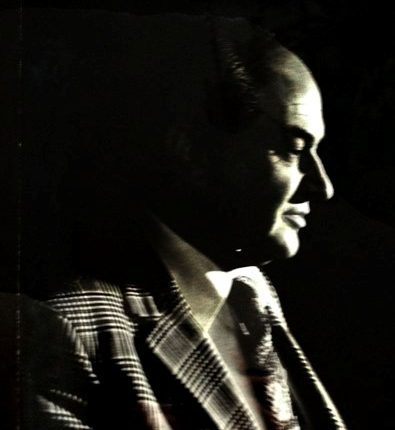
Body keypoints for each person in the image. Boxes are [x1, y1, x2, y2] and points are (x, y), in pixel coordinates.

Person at [22, 9, 345, 430]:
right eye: (294, 148)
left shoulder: (254, 297)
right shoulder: (61, 329)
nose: (323, 186)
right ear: (190, 147)